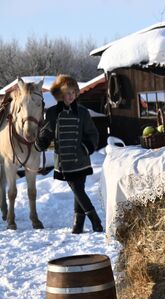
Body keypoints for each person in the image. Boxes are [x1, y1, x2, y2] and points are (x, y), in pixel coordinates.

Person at [36, 75, 103, 234]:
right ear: (60, 95)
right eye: (67, 93)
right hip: (64, 161)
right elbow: (47, 132)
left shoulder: (83, 112)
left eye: (73, 92)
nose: (71, 96)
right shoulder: (52, 112)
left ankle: (78, 225)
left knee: (78, 190)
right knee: (77, 189)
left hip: (81, 158)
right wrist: (41, 141)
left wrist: (86, 148)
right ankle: (95, 220)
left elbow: (93, 134)